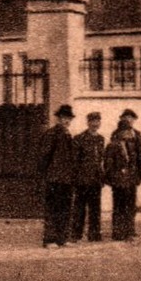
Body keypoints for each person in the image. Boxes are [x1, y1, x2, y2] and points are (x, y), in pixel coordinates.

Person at [38, 104, 78, 248]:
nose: (66, 121)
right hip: (54, 178)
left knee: (66, 209)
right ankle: (49, 240)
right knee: (53, 209)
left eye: (68, 118)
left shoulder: (68, 134)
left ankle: (62, 238)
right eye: (64, 118)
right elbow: (44, 156)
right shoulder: (51, 134)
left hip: (67, 179)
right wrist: (47, 175)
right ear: (58, 119)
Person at [105, 108, 141, 242]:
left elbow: (139, 157)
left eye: (131, 119)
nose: (128, 133)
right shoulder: (114, 143)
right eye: (126, 118)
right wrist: (115, 176)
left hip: (131, 178)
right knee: (119, 206)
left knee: (130, 205)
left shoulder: (134, 139)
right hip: (119, 180)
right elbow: (110, 163)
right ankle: (118, 232)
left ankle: (129, 230)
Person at [71, 112, 108, 243]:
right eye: (92, 121)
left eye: (97, 121)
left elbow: (100, 160)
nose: (95, 124)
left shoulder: (101, 139)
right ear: (88, 123)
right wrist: (76, 178)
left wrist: (101, 176)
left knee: (95, 208)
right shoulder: (79, 138)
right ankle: (76, 234)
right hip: (82, 179)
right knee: (79, 208)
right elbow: (75, 161)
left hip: (96, 180)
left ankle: (94, 234)